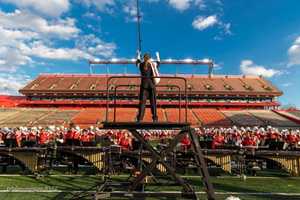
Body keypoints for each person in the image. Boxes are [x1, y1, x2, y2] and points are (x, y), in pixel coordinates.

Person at [136, 53, 159, 122]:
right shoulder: (153, 64)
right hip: (152, 85)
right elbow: (158, 63)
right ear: (149, 58)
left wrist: (138, 55)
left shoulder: (141, 65)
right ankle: (155, 118)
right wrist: (158, 56)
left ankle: (140, 118)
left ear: (144, 58)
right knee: (153, 103)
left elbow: (137, 63)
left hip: (144, 86)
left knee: (142, 103)